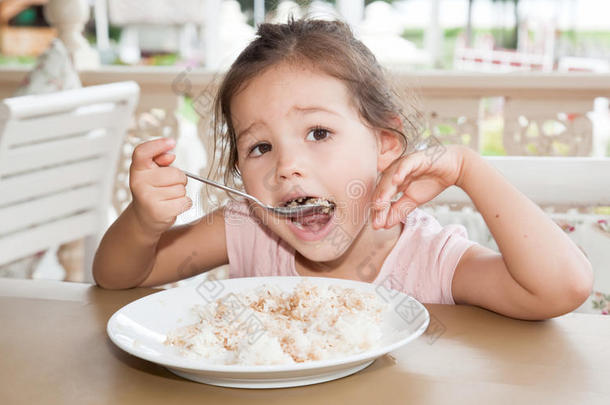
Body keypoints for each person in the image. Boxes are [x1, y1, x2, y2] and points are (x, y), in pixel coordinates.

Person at [93, 18, 592, 320]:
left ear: (384, 144)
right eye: (260, 146)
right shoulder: (248, 228)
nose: (288, 167)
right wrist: (142, 222)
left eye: (318, 133)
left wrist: (469, 168)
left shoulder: (426, 258)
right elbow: (116, 278)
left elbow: (561, 287)